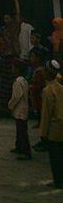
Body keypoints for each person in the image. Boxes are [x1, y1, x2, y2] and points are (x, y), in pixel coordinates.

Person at [40, 60, 63, 190]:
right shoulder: (61, 88)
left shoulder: (48, 90)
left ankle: (58, 181)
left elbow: (46, 114)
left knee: (55, 157)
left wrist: (43, 133)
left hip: (54, 128)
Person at [0, 0, 21, 107]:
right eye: (4, 18)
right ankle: (3, 100)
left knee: (14, 77)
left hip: (13, 54)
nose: (5, 20)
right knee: (4, 78)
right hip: (4, 55)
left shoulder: (15, 27)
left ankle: (14, 99)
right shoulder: (2, 29)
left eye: (7, 18)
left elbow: (18, 14)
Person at [8, 59, 31, 160]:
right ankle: (19, 146)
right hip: (23, 108)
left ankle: (25, 151)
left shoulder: (18, 81)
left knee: (22, 131)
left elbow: (17, 95)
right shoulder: (24, 80)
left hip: (20, 109)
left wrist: (10, 104)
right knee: (20, 129)